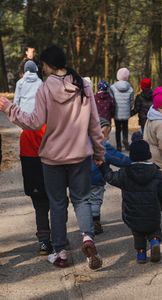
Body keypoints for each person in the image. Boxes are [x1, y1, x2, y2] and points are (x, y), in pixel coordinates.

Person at [0, 45, 104, 270]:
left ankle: (60, 252)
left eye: (43, 65)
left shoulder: (46, 88)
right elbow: (95, 124)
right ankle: (87, 237)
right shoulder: (83, 85)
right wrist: (99, 153)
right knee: (82, 199)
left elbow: (34, 123)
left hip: (52, 158)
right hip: (79, 156)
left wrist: (10, 109)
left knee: (57, 204)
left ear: (48, 65)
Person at [98, 134, 162, 264]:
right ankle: (154, 241)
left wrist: (103, 166)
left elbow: (110, 177)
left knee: (138, 233)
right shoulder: (157, 174)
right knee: (154, 229)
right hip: (152, 213)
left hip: (132, 214)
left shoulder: (125, 173)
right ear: (148, 155)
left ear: (131, 156)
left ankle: (141, 254)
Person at [13, 60, 51, 254]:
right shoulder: (42, 84)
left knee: (40, 205)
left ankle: (44, 240)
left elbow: (16, 100)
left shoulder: (20, 83)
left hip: (28, 136)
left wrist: (18, 115)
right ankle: (59, 239)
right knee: (57, 201)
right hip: (48, 162)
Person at [90, 118, 131, 234]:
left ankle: (86, 223)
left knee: (83, 201)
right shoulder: (104, 147)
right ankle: (95, 222)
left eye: (107, 135)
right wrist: (133, 161)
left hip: (80, 179)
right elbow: (119, 159)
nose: (105, 137)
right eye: (103, 134)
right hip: (97, 179)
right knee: (95, 201)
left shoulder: (83, 143)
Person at [110, 67, 134, 151]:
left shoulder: (112, 88)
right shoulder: (130, 88)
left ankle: (119, 146)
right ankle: (125, 140)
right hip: (126, 112)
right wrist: (129, 108)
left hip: (117, 112)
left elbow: (111, 100)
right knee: (125, 127)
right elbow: (131, 101)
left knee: (118, 129)